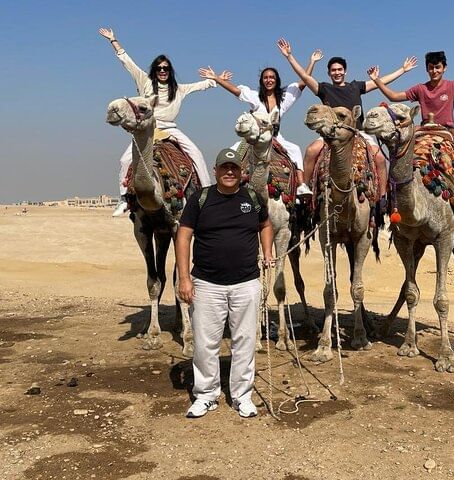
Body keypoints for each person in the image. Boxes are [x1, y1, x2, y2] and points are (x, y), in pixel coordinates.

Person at [176, 148, 274, 419]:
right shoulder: (200, 199)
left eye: (234, 168)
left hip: (246, 283)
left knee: (245, 341)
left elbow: (266, 225)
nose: (229, 172)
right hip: (207, 283)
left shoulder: (252, 198)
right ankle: (206, 395)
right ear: (216, 170)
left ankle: (242, 396)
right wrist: (184, 278)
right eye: (224, 167)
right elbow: (183, 236)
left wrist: (267, 251)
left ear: (241, 172)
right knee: (205, 343)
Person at [277, 38, 418, 198]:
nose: (337, 72)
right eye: (333, 70)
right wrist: (289, 56)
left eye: (340, 69)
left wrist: (402, 70)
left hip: (358, 133)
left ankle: (382, 198)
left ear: (345, 71)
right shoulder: (324, 89)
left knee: (379, 158)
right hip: (332, 134)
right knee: (311, 151)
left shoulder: (355, 87)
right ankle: (305, 191)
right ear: (329, 73)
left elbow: (380, 82)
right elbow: (304, 76)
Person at [99, 27, 215, 216]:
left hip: (170, 128)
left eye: (166, 68)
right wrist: (113, 40)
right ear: (155, 70)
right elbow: (127, 62)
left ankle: (206, 197)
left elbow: (201, 85)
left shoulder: (179, 89)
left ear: (170, 71)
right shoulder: (144, 81)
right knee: (125, 160)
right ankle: (124, 199)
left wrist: (215, 79)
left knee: (196, 154)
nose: (162, 71)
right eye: (159, 68)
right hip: (149, 128)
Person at [368, 51, 454, 193]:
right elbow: (393, 96)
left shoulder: (452, 86)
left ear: (444, 68)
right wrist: (376, 80)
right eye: (431, 68)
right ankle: (394, 178)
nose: (434, 71)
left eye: (437, 67)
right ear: (427, 69)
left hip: (446, 129)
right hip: (425, 128)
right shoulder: (420, 89)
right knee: (404, 135)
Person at [198, 48, 324, 196]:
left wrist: (312, 62)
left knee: (295, 150)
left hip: (275, 137)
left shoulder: (284, 98)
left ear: (276, 80)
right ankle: (220, 188)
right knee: (231, 153)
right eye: (266, 77)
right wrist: (216, 78)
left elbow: (303, 81)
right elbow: (236, 91)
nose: (269, 80)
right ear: (262, 80)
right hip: (255, 138)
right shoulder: (255, 97)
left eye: (272, 77)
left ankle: (301, 185)